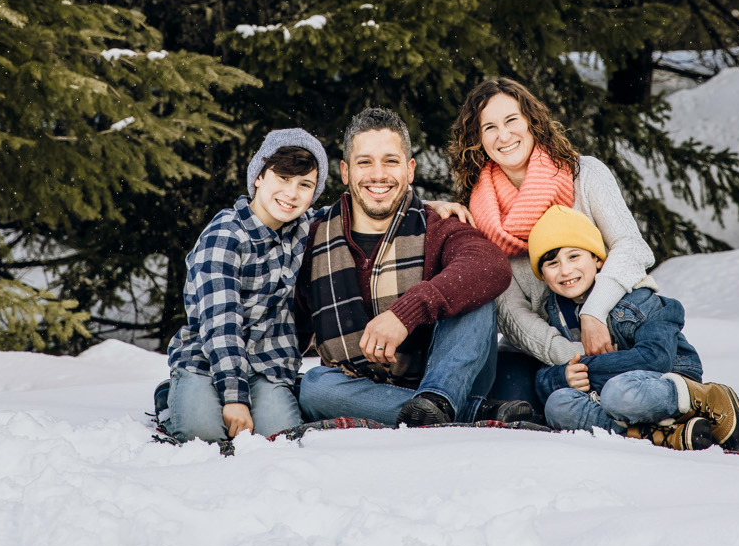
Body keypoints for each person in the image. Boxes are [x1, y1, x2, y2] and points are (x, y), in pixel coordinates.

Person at [295, 107, 530, 426]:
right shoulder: (312, 237)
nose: (378, 174)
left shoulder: (438, 225)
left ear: (410, 170)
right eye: (365, 162)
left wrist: (404, 314)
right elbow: (290, 327)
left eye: (390, 161)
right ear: (345, 171)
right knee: (313, 386)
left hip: (451, 382)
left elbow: (492, 266)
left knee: (474, 286)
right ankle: (462, 413)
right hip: (355, 387)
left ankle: (439, 400)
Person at [443, 77, 658, 406]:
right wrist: (572, 356)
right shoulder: (478, 212)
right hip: (541, 350)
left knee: (633, 388)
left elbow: (631, 247)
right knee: (509, 399)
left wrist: (593, 314)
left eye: (512, 120)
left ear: (532, 122)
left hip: (613, 329)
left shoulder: (583, 174)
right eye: (489, 127)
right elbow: (510, 309)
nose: (504, 136)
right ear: (477, 139)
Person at [524, 206, 739, 451]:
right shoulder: (553, 313)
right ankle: (656, 434)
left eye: (574, 256)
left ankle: (707, 399)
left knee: (619, 392)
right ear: (542, 275)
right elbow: (543, 377)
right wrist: (563, 376)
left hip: (661, 384)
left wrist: (588, 368)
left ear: (598, 259)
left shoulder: (636, 299)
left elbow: (656, 359)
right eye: (552, 263)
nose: (566, 270)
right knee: (557, 404)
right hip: (606, 398)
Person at [160, 129, 327, 442]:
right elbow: (220, 324)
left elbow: (362, 211)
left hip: (269, 365)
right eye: (282, 178)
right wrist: (235, 398)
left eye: (304, 184)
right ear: (259, 177)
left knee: (279, 436)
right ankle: (171, 397)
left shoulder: (304, 227)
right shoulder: (224, 237)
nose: (291, 193)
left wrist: (429, 206)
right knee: (202, 434)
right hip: (209, 359)